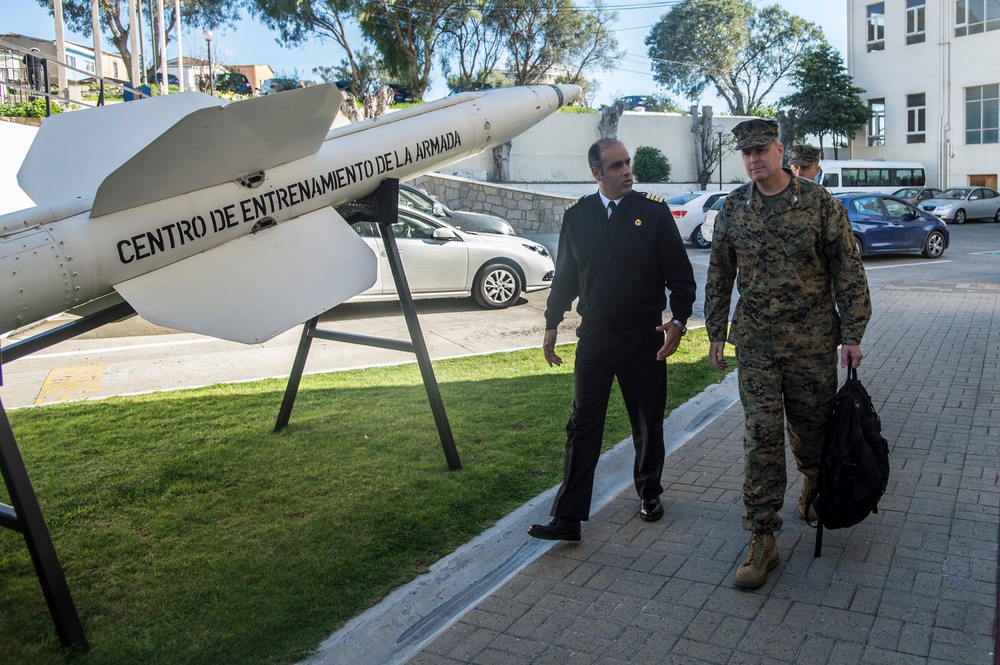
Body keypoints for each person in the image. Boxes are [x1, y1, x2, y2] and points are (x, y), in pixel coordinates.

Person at [704, 119, 871, 589]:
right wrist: (716, 331)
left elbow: (848, 271)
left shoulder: (820, 205)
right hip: (756, 342)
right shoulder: (734, 208)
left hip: (813, 342)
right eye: (746, 153)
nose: (753, 159)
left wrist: (853, 333)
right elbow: (719, 274)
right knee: (761, 434)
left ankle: (813, 486)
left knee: (812, 429)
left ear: (780, 150)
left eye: (761, 150)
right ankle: (762, 537)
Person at [528, 138, 697, 542]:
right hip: (595, 339)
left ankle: (650, 494)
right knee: (583, 424)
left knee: (646, 421)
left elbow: (681, 276)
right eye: (616, 166)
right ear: (596, 173)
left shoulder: (653, 213)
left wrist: (679, 320)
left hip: (644, 336)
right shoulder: (578, 217)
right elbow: (567, 276)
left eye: (628, 163)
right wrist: (552, 321)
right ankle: (568, 518)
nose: (626, 171)